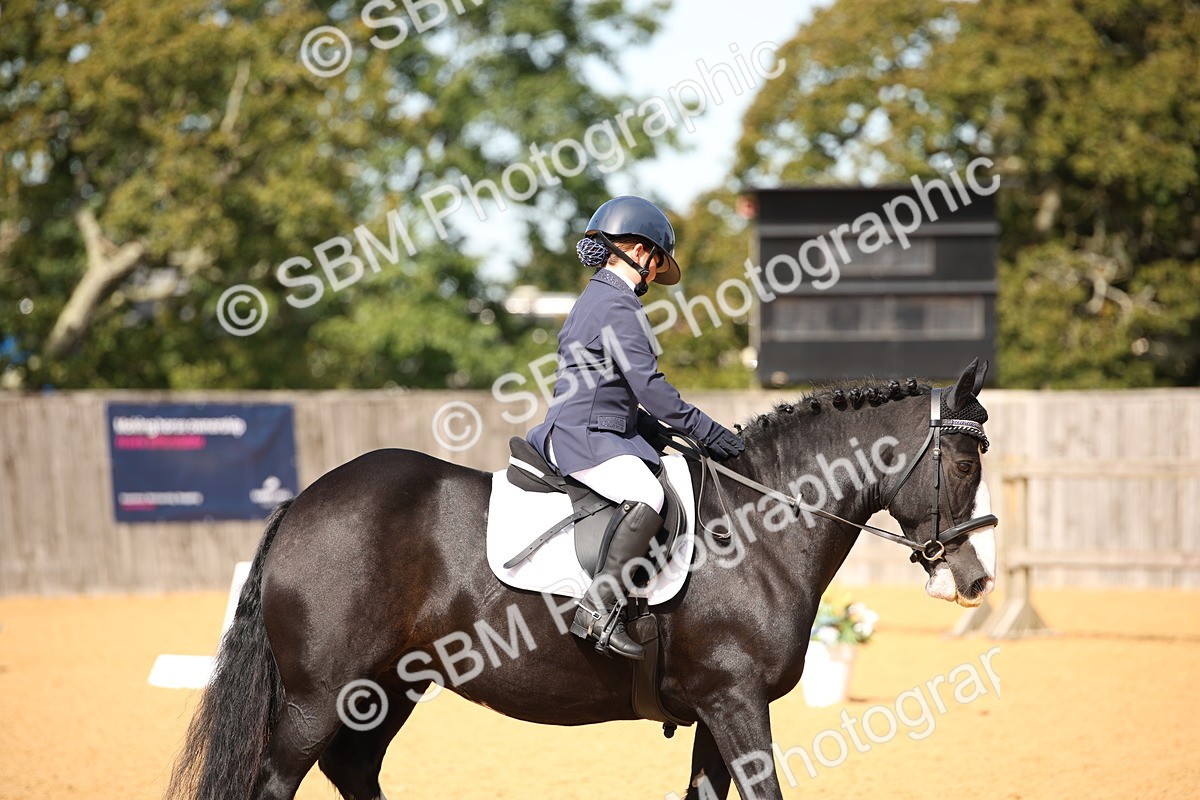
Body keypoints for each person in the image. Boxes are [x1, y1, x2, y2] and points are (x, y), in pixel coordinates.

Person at [526, 196, 745, 660]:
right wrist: (706, 431)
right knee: (650, 495)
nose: (653, 277)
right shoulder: (618, 305)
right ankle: (598, 608)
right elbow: (650, 387)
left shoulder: (595, 298)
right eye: (656, 263)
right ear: (641, 252)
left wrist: (652, 430)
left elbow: (605, 384)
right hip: (585, 438)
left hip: (589, 426)